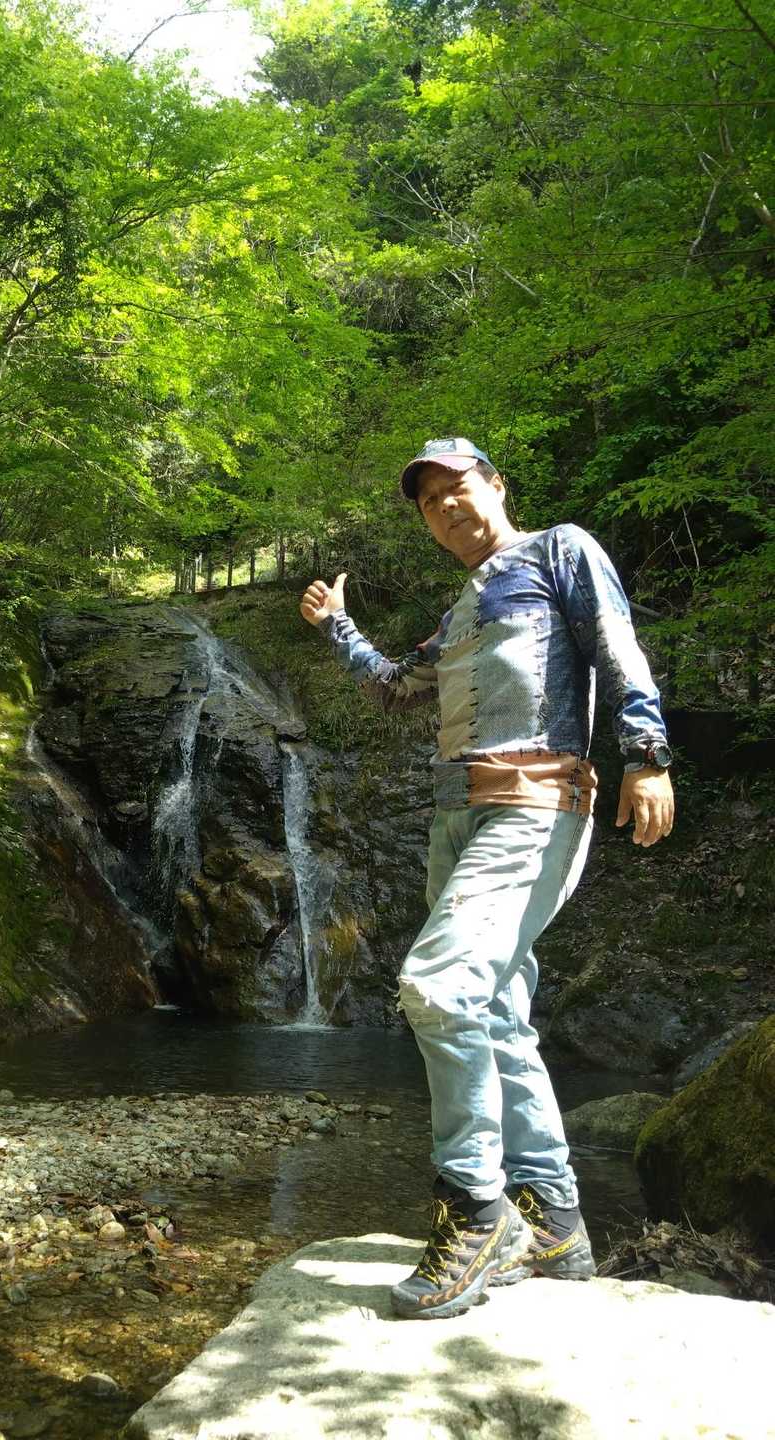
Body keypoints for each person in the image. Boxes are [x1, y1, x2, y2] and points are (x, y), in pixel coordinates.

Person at [299, 436, 674, 1320]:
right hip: (454, 820)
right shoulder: (462, 610)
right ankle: (554, 1221)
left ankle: (476, 1209)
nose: (446, 506)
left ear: (496, 485)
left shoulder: (558, 552)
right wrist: (338, 629)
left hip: (534, 802)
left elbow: (615, 644)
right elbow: (398, 688)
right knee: (496, 1011)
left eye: (456, 487)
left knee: (438, 986)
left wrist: (647, 753)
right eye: (429, 501)